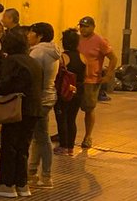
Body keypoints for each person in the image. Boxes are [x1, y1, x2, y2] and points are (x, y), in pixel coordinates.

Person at [0, 27, 42, 198]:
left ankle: (6, 184)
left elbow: (6, 84)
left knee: (9, 146)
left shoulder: (12, 61)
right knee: (23, 147)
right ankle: (22, 184)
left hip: (16, 107)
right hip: (33, 108)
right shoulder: (32, 61)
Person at [26, 21, 61, 187]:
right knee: (38, 136)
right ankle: (32, 172)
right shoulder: (53, 51)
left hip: (39, 98)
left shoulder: (38, 53)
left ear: (39, 35)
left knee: (42, 137)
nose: (28, 36)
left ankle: (46, 175)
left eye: (31, 32)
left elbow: (30, 77)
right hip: (48, 95)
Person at [77, 16, 114, 149]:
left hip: (91, 80)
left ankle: (88, 136)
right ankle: (65, 132)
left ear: (93, 27)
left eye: (86, 26)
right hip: (77, 79)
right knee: (70, 108)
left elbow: (113, 58)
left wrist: (108, 75)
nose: (83, 29)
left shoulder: (100, 41)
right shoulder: (77, 39)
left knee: (89, 108)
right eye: (81, 26)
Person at [54, 28, 86, 156]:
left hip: (65, 91)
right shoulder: (83, 57)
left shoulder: (63, 57)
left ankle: (63, 146)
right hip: (78, 90)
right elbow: (86, 74)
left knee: (62, 118)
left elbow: (57, 74)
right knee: (72, 119)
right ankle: (71, 147)